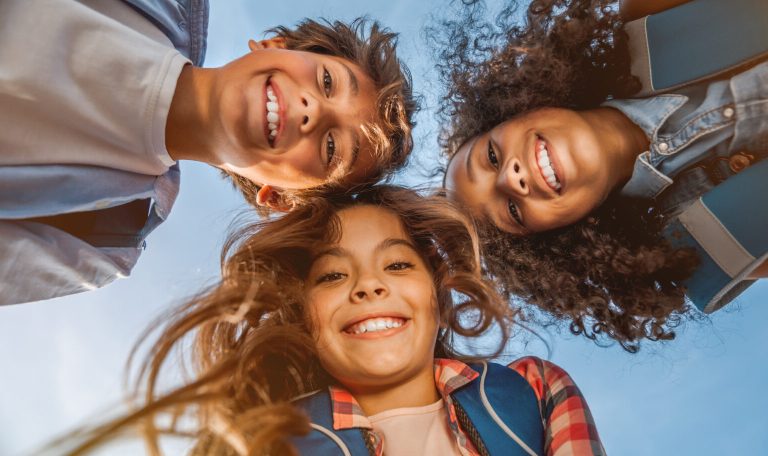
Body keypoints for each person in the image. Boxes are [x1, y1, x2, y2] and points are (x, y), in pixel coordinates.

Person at [61, 186, 604, 455]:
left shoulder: (533, 391)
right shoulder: (263, 441)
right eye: (331, 277)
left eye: (396, 263)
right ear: (303, 318)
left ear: (437, 295)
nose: (369, 286)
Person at [0, 0, 417, 305]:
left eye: (331, 147)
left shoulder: (103, 243)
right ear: (277, 44)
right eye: (327, 82)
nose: (313, 110)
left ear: (281, 198)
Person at [437, 0, 768, 351]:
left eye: (490, 156)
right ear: (556, 238)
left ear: (514, 108)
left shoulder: (652, 20)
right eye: (513, 212)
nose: (510, 179)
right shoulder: (705, 247)